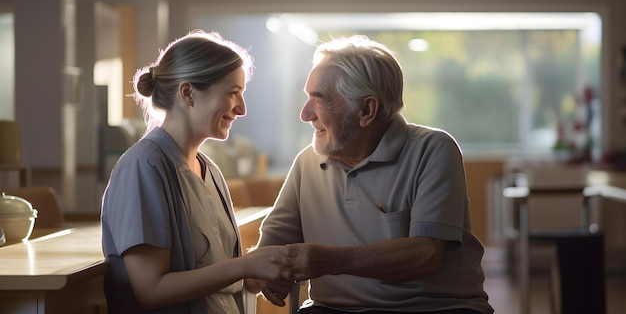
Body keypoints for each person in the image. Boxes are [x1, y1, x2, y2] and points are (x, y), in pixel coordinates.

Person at [246, 35, 494, 314]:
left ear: (366, 109)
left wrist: (330, 261)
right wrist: (265, 272)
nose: (305, 114)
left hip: (435, 308)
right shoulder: (307, 162)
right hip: (332, 309)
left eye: (319, 99)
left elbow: (425, 254)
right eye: (307, 98)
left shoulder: (433, 149)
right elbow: (271, 247)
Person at [101, 30, 294, 314]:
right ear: (188, 93)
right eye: (233, 93)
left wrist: (251, 276)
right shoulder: (144, 167)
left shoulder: (210, 171)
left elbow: (213, 273)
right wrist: (244, 265)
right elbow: (150, 290)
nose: (241, 109)